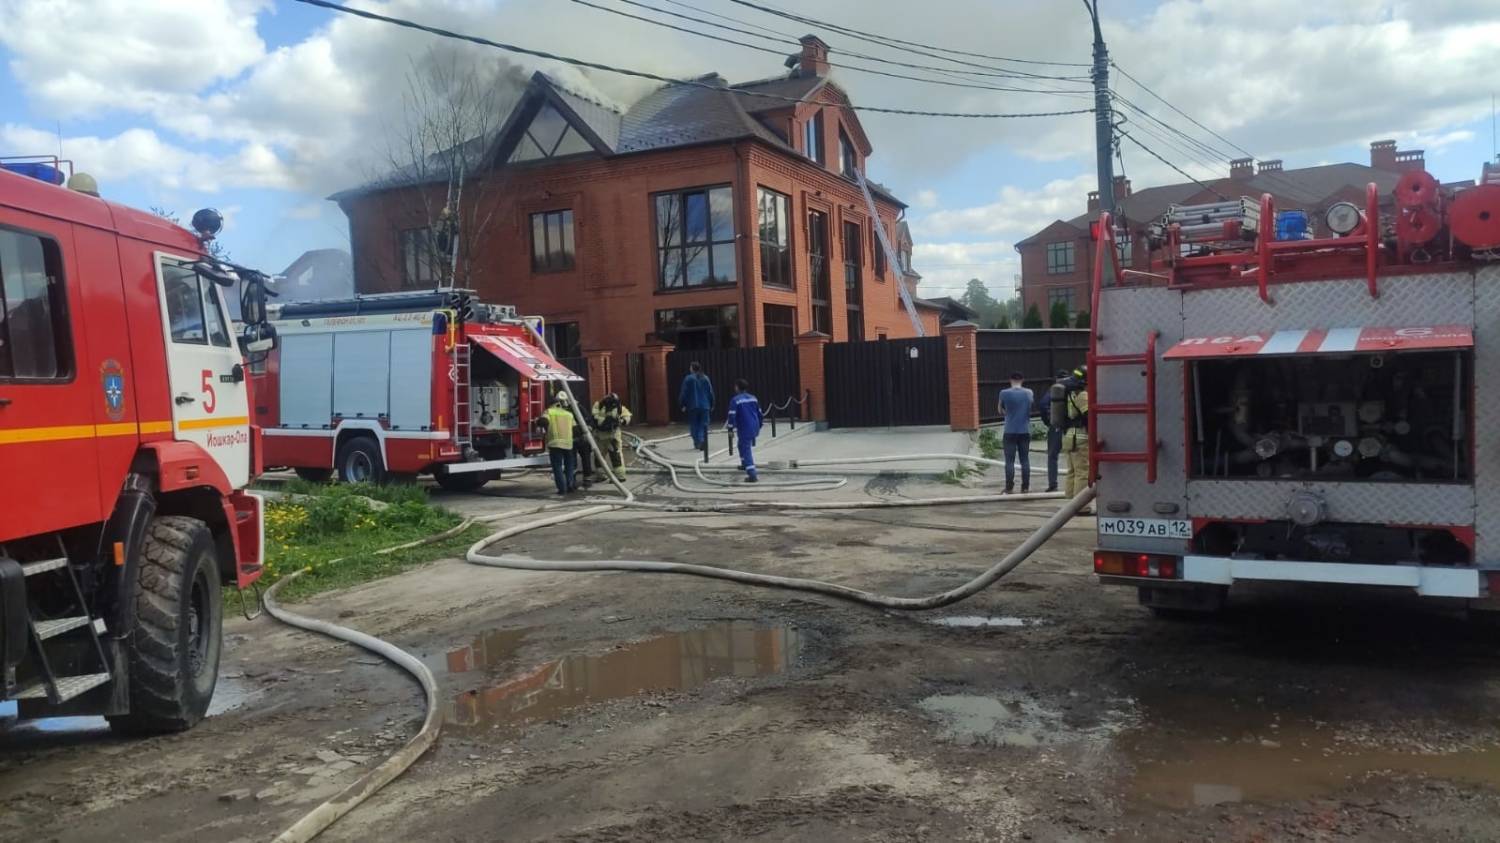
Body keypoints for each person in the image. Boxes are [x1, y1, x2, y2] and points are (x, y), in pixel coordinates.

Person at [997, 371, 1034, 494]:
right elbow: (1029, 408)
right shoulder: (1029, 393)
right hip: (1024, 430)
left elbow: (1000, 410)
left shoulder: (1004, 393)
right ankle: (1025, 487)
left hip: (1009, 430)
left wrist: (1007, 412)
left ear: (1010, 380)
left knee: (1009, 461)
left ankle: (1009, 487)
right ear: (1022, 380)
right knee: (1025, 460)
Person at [1062, 367, 1092, 514]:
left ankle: (1070, 503)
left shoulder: (1069, 394)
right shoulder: (1082, 395)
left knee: (1072, 471)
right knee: (1083, 472)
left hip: (1069, 436)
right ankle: (1081, 507)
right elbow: (1088, 417)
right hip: (1080, 437)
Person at [1035, 369, 1069, 493]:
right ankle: (1076, 484)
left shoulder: (1054, 390)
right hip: (1072, 427)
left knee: (1052, 456)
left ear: (1056, 379)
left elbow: (1043, 405)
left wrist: (1048, 422)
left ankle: (1053, 484)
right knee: (1075, 455)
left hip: (1055, 427)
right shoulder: (1073, 389)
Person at [726, 378, 763, 483]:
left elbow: (732, 415)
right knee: (741, 445)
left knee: (746, 449)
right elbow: (760, 413)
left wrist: (730, 428)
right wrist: (759, 425)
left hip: (744, 428)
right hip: (754, 426)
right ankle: (744, 464)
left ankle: (752, 475)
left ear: (737, 387)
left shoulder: (735, 400)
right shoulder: (754, 398)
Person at [540, 394, 577, 495]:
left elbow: (543, 421)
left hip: (555, 443)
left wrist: (536, 421)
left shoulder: (549, 412)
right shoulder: (569, 414)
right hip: (569, 444)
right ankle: (570, 485)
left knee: (557, 467)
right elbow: (575, 428)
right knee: (570, 466)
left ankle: (562, 489)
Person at [592, 392, 633, 479]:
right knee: (616, 456)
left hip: (600, 436)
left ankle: (600, 475)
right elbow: (627, 417)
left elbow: (593, 418)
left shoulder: (598, 405)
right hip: (613, 436)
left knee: (599, 456)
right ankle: (620, 476)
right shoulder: (619, 407)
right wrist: (622, 421)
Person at [679, 361, 715, 450]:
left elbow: (684, 392)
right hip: (705, 405)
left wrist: (682, 404)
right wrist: (712, 403)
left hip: (693, 405)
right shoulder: (705, 378)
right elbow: (710, 392)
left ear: (692, 368)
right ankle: (702, 440)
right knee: (703, 424)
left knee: (694, 424)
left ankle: (698, 442)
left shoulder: (688, 379)